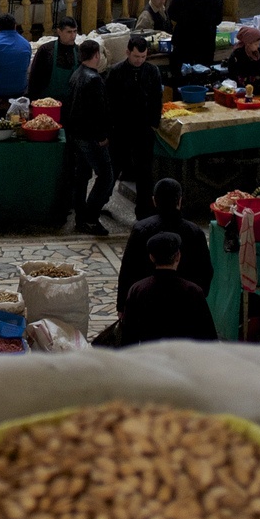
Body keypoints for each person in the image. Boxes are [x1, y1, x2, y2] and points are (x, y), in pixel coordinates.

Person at [115, 178, 211, 310]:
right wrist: (195, 296)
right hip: (184, 306)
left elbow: (128, 271)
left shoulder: (140, 230)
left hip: (146, 306)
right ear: (180, 201)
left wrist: (121, 306)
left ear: (154, 201)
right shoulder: (195, 232)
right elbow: (205, 272)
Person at [108, 232, 215, 345]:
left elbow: (128, 334)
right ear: (178, 256)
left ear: (151, 257)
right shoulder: (193, 291)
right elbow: (208, 335)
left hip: (149, 356)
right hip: (183, 357)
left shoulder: (138, 290)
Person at [103, 34, 165, 199]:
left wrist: (154, 123)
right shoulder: (116, 72)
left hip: (143, 129)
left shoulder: (152, 71)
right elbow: (108, 102)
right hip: (120, 128)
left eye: (143, 57)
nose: (139, 60)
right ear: (127, 52)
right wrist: (109, 130)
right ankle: (98, 204)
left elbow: (156, 99)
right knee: (113, 169)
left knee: (144, 171)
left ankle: (144, 211)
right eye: (136, 56)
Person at [66, 39, 113, 236]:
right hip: (90, 137)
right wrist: (102, 136)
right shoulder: (94, 79)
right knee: (106, 177)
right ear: (96, 56)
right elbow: (98, 111)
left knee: (82, 177)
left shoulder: (76, 75)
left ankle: (81, 217)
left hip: (76, 134)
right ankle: (91, 217)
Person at [168, 0, 222, 72]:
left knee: (180, 79)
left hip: (183, 42)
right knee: (202, 80)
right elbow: (218, 20)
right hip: (205, 44)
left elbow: (172, 14)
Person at [26, 16, 82, 105]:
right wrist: (33, 102)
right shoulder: (46, 50)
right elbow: (34, 78)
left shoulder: (78, 51)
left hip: (69, 105)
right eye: (69, 32)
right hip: (47, 104)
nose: (73, 36)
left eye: (75, 31)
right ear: (59, 31)